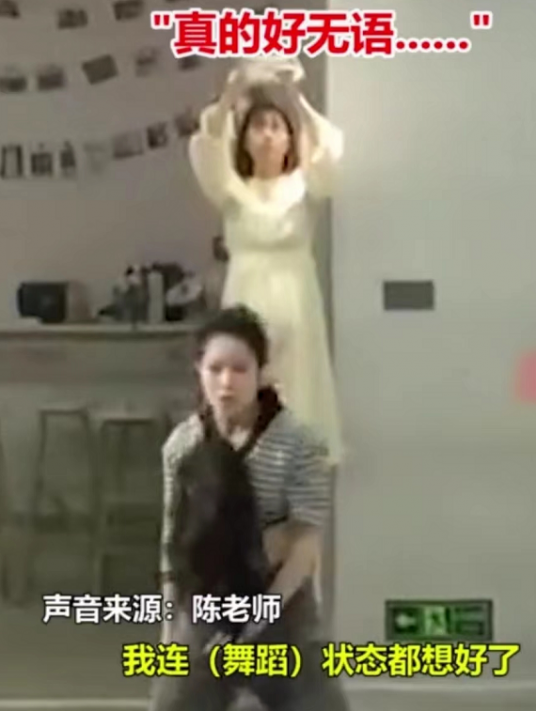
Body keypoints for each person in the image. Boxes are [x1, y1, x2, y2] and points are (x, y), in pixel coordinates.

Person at [150, 306, 349, 711]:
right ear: (199, 371)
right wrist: (170, 626)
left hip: (279, 602)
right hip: (207, 600)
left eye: (240, 369)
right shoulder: (182, 446)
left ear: (261, 373)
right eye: (215, 369)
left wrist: (259, 616)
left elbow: (305, 545)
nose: (227, 382)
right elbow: (173, 541)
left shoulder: (300, 443)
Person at [188, 69, 343, 465]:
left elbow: (330, 152)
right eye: (259, 126)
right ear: (245, 138)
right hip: (247, 293)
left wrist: (294, 96)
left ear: (290, 137)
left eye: (277, 126)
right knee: (242, 388)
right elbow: (207, 145)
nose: (268, 135)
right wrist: (233, 92)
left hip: (295, 297)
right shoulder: (232, 188)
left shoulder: (303, 187)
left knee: (297, 390)